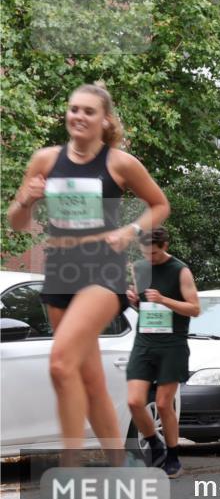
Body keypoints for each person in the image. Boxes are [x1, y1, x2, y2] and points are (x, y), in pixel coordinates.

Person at [7, 83, 169, 462]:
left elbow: (159, 204)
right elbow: (16, 223)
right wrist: (25, 200)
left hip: (102, 269)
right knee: (90, 381)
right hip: (60, 268)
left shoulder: (119, 163)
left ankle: (71, 463)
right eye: (73, 109)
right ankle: (120, 465)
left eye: (88, 111)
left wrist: (129, 231)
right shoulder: (45, 160)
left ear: (104, 120)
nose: (78, 116)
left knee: (61, 363)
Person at [126, 228, 200, 477]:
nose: (150, 257)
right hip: (144, 341)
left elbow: (194, 309)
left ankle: (173, 457)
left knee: (163, 404)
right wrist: (135, 301)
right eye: (145, 252)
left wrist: (165, 300)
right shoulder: (139, 268)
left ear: (165, 245)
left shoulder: (181, 270)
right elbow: (145, 305)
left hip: (172, 345)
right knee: (134, 401)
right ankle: (155, 445)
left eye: (155, 253)